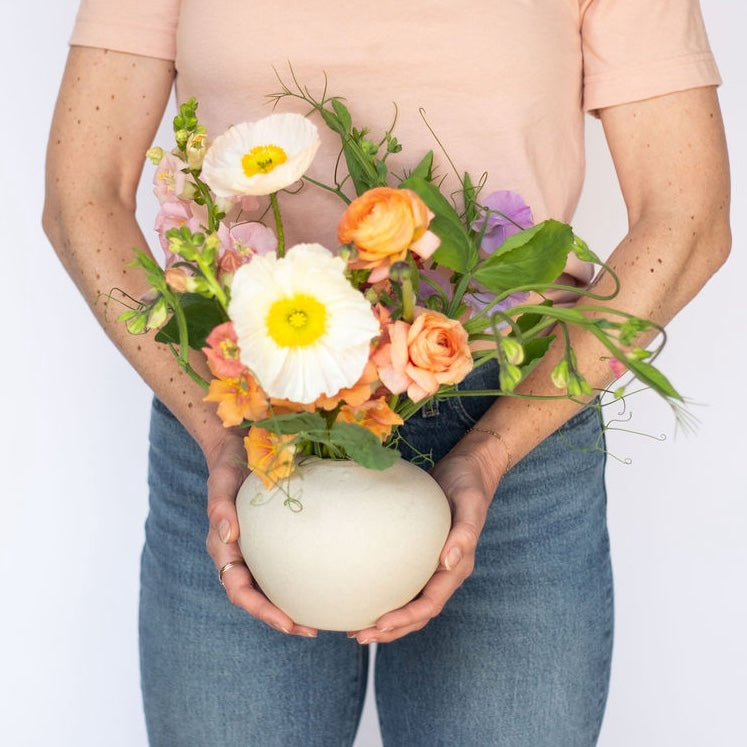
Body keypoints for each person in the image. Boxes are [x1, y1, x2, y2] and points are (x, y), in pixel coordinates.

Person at [43, 1, 730, 745]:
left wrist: (492, 450)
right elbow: (84, 193)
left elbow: (687, 212)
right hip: (247, 425)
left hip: (515, 419)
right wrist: (220, 437)